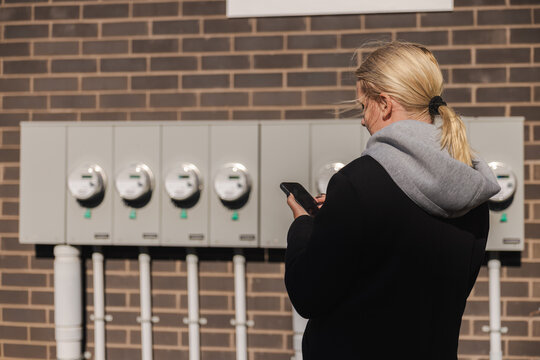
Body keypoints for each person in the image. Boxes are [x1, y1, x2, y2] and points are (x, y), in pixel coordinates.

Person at [284, 41, 501, 359]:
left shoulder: (357, 184)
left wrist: (303, 225)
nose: (361, 119)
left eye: (363, 107)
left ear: (384, 104)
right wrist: (343, 212)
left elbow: (308, 296)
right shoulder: (469, 185)